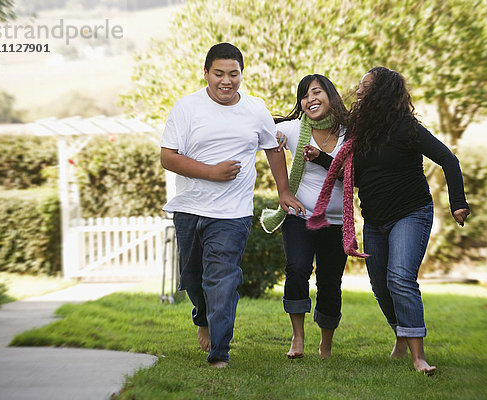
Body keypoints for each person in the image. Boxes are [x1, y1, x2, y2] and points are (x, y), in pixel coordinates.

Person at [306, 67, 470, 375]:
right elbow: (353, 177)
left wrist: (458, 203)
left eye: (366, 87)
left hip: (411, 213)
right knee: (380, 285)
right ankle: (401, 332)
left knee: (400, 278)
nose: (359, 90)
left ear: (382, 92)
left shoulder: (407, 128)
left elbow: (449, 159)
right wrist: (321, 158)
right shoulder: (359, 132)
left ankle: (418, 357)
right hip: (375, 220)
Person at [160, 42, 305, 368]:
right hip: (189, 208)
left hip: (232, 213)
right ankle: (203, 318)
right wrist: (211, 172)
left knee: (222, 277)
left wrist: (283, 190)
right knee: (193, 278)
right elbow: (167, 157)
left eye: (234, 74)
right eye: (219, 74)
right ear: (207, 73)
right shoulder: (186, 108)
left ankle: (219, 353)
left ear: (241, 74)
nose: (226, 81)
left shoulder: (255, 109)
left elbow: (273, 147)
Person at [261, 74, 349, 359]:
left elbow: (354, 176)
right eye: (304, 95)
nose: (310, 99)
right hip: (300, 216)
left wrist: (322, 158)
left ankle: (325, 344)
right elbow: (266, 137)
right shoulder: (295, 129)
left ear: (331, 96)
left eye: (316, 92)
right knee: (297, 269)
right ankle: (297, 338)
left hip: (336, 221)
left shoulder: (350, 132)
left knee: (329, 281)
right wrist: (283, 191)